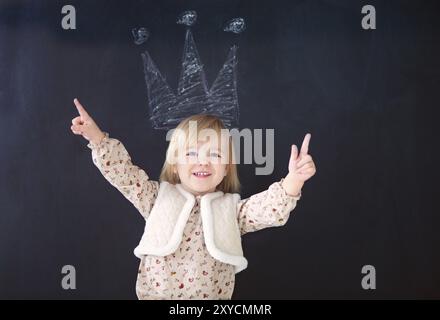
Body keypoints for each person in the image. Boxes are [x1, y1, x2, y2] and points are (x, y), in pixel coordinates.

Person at [70, 98, 317, 299]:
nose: (203, 161)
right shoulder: (157, 198)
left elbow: (268, 208)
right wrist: (98, 139)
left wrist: (294, 179)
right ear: (175, 164)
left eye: (215, 154)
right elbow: (124, 174)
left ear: (225, 169)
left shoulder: (231, 210)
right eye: (191, 152)